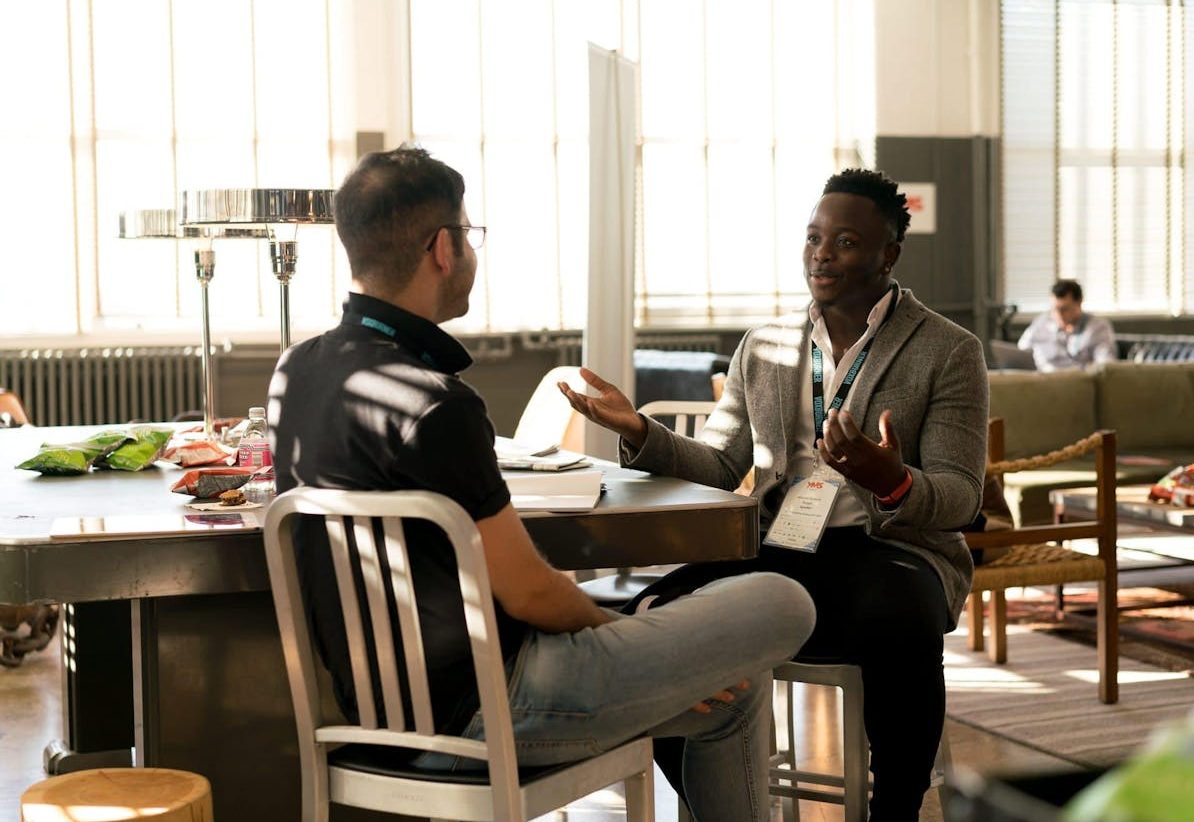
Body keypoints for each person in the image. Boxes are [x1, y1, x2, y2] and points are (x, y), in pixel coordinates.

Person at [268, 146, 815, 822]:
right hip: (494, 709)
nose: (470, 250)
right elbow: (528, 591)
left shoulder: (297, 371)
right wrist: (622, 631)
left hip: (373, 713)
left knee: (735, 693)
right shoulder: (438, 403)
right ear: (443, 247)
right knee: (784, 600)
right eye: (469, 234)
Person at [560, 168, 989, 820]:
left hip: (892, 551)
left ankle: (895, 809)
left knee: (899, 611)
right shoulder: (763, 346)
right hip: (782, 545)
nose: (822, 253)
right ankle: (720, 805)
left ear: (888, 254)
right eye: (814, 238)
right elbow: (723, 462)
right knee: (653, 616)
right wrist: (640, 431)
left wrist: (890, 479)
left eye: (845, 241)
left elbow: (962, 495)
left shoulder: (948, 350)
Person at [1017, 279, 1117, 371]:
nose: (1059, 315)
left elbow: (1105, 365)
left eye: (1064, 309)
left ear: (1079, 302)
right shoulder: (1041, 323)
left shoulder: (1097, 327)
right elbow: (1020, 352)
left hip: (1076, 381)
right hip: (1042, 380)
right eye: (1055, 309)